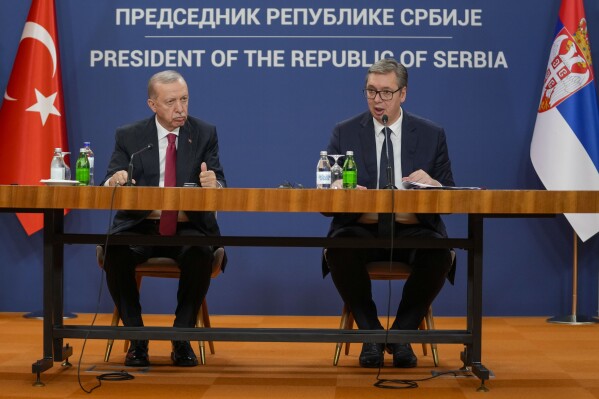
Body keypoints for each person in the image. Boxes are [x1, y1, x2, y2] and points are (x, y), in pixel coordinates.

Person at [323, 58, 455, 368]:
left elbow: (450, 196)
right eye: (371, 91)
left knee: (439, 254)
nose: (377, 100)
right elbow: (325, 199)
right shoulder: (344, 132)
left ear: (403, 94)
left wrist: (433, 184)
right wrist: (341, 193)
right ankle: (369, 334)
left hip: (413, 229)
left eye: (386, 93)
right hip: (361, 228)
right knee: (339, 248)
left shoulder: (431, 133)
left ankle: (401, 335)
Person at [101, 70, 227, 367]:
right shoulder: (129, 136)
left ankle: (181, 337)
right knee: (114, 251)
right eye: (171, 101)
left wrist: (214, 184)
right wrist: (115, 180)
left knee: (200, 254)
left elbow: (220, 181)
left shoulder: (204, 133)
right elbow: (109, 180)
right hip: (139, 225)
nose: (180, 109)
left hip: (188, 226)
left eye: (184, 99)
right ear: (152, 104)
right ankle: (137, 338)